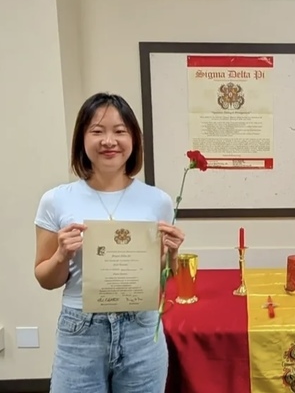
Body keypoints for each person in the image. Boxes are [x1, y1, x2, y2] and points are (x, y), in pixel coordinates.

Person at [34, 93, 185, 392]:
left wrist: (172, 255)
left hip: (141, 330)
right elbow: (45, 278)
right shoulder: (56, 200)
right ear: (82, 138)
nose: (109, 141)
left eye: (119, 131)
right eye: (97, 131)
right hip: (81, 331)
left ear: (134, 139)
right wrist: (62, 254)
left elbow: (163, 276)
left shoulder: (158, 201)